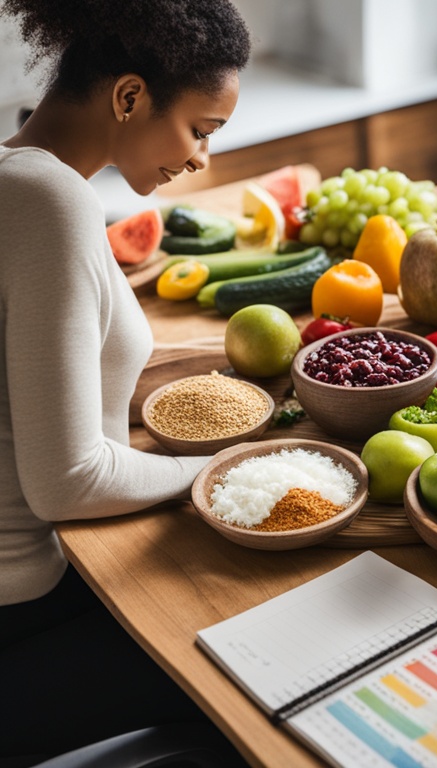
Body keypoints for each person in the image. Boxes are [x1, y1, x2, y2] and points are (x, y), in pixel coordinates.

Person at [0, 0, 251, 761]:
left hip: (41, 587)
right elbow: (70, 481)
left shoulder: (21, 177)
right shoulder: (49, 201)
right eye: (201, 129)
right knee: (246, 670)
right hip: (22, 615)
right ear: (129, 96)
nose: (202, 157)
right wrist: (223, 470)